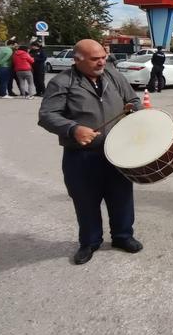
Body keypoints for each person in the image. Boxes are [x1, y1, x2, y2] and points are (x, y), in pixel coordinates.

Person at [38, 39, 142, 265]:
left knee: (122, 197)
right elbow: (47, 115)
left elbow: (133, 99)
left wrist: (134, 109)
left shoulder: (113, 75)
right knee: (85, 200)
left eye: (103, 57)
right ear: (78, 60)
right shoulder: (61, 82)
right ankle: (90, 242)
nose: (102, 62)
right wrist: (72, 128)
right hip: (81, 156)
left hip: (117, 152)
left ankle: (123, 236)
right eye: (95, 59)